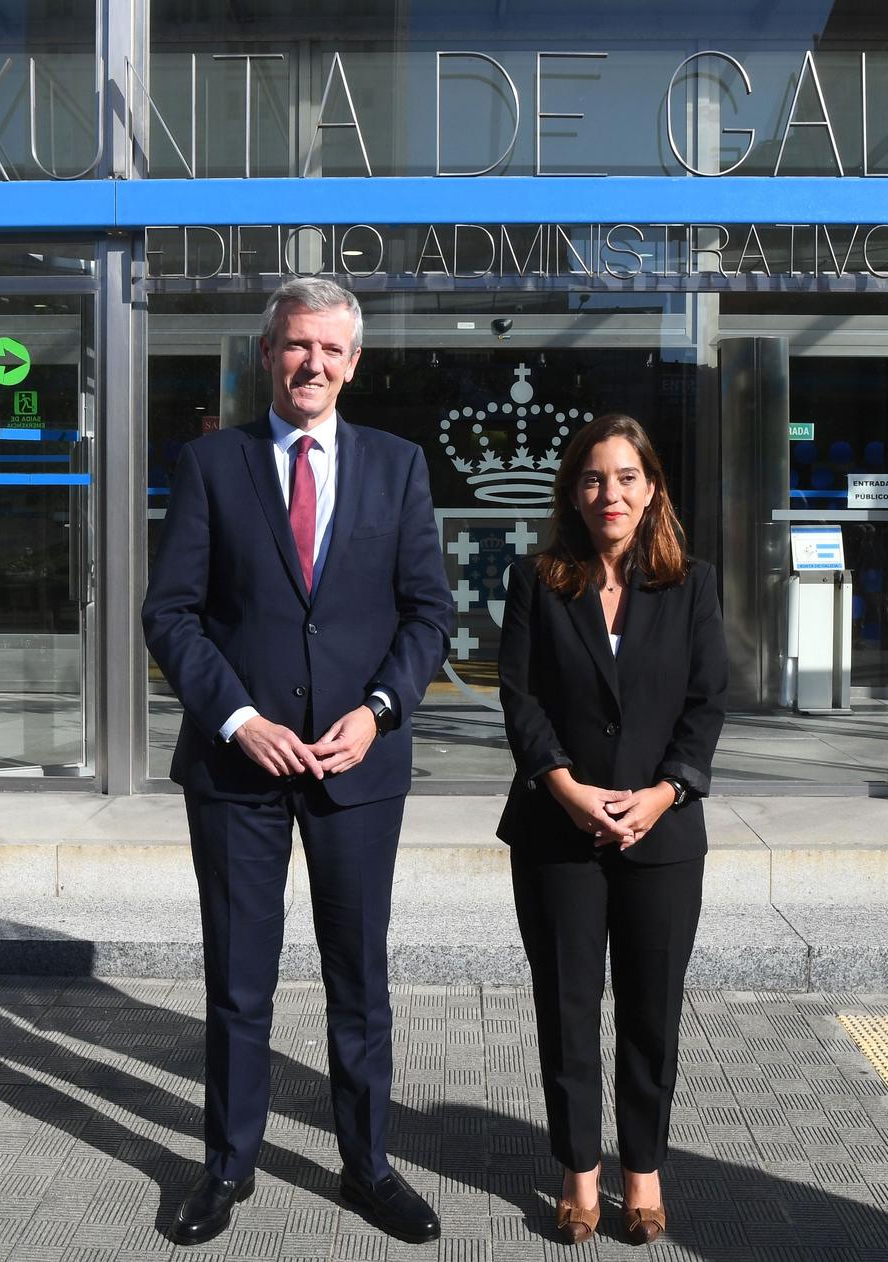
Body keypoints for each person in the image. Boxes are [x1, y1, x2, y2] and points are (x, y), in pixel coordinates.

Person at [142, 276, 453, 1246]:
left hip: (357, 767)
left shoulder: (397, 466)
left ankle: (366, 1164)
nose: (311, 363)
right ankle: (226, 1163)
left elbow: (427, 612)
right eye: (294, 345)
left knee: (358, 974)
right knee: (239, 979)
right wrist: (235, 715)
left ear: (353, 362)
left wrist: (378, 710)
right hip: (238, 768)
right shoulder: (210, 464)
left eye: (330, 348)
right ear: (266, 352)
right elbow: (170, 612)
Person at [495, 413, 727, 1246]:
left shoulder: (691, 584)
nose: (611, 493)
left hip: (661, 835)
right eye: (594, 478)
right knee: (566, 1004)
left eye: (626, 477)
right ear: (574, 491)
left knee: (650, 1010)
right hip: (559, 829)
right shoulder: (538, 579)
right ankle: (578, 1169)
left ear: (652, 486)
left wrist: (666, 792)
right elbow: (518, 700)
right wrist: (565, 788)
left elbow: (706, 704)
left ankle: (644, 1170)